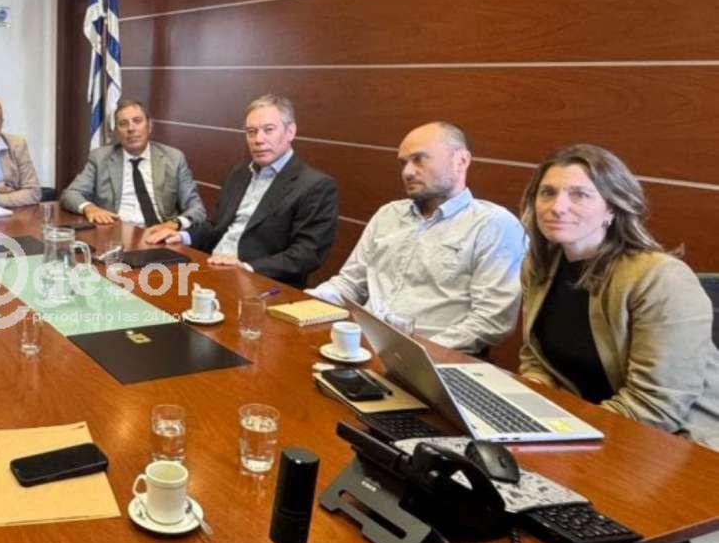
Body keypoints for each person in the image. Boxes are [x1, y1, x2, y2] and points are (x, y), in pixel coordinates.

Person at [518, 144, 719, 446]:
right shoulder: (540, 265)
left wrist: (561, 433)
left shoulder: (660, 278)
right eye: (547, 193)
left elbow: (655, 406)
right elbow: (535, 356)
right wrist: (526, 403)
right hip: (594, 426)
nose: (557, 207)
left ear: (612, 208)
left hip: (680, 442)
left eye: (579, 194)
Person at [306, 122, 525, 354]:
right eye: (403, 163)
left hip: (435, 358)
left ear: (461, 161)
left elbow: (491, 321)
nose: (407, 172)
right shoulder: (388, 214)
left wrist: (413, 351)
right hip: (361, 346)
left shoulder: (493, 225)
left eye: (419, 159)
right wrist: (298, 303)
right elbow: (350, 284)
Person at [148, 94, 337, 287]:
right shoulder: (240, 173)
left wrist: (246, 267)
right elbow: (217, 226)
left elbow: (307, 254)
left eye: (269, 130)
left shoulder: (315, 185)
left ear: (290, 132)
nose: (258, 139)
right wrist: (182, 236)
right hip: (211, 269)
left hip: (261, 284)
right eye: (251, 132)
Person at [60, 99, 207, 230]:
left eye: (137, 121)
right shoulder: (100, 158)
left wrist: (173, 224)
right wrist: (90, 208)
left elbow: (197, 209)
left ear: (149, 125)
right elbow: (70, 194)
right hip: (116, 231)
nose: (131, 129)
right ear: (117, 131)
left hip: (161, 233)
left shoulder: (174, 158)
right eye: (123, 124)